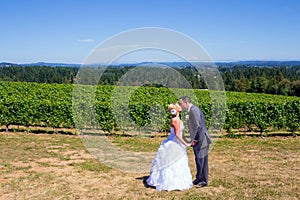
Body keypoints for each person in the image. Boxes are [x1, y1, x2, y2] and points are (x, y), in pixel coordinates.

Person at [146, 103, 193, 192]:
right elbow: (177, 135)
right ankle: (172, 182)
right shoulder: (176, 120)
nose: (180, 106)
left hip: (173, 141)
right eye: (178, 106)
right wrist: (186, 143)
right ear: (177, 110)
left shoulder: (175, 119)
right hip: (174, 143)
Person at [179, 96, 212, 188]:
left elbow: (198, 126)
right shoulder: (191, 110)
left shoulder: (193, 110)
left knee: (202, 160)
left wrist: (195, 140)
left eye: (180, 103)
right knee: (198, 159)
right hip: (199, 139)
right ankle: (198, 178)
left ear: (186, 103)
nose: (180, 105)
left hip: (201, 139)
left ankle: (203, 181)